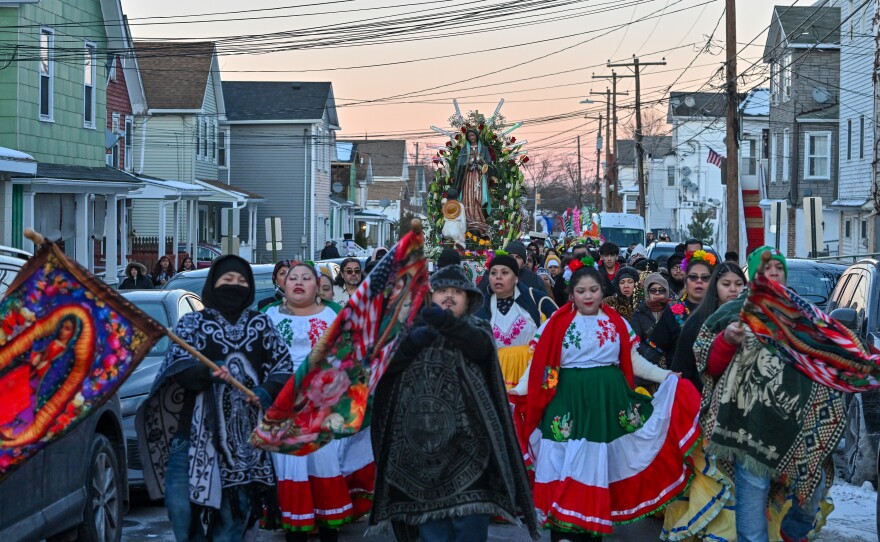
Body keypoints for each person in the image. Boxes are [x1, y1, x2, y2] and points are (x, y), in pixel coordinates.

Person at [509, 265, 701, 540]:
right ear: (571, 295)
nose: (588, 296)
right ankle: (563, 532)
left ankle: (590, 530)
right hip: (568, 406)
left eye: (594, 290)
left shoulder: (616, 322)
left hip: (607, 406)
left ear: (602, 292)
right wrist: (522, 393)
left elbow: (633, 362)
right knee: (566, 466)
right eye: (581, 291)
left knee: (597, 468)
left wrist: (666, 375)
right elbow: (544, 367)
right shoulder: (555, 324)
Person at [682, 247, 844, 542]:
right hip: (747, 423)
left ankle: (796, 527)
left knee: (814, 483)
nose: (773, 274)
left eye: (778, 269)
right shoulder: (730, 314)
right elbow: (710, 365)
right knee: (753, 491)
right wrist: (728, 340)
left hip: (795, 424)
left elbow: (828, 356)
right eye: (765, 270)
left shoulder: (805, 315)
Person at [369, 264, 539, 542]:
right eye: (442, 291)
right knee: (432, 534)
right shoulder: (407, 332)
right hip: (419, 453)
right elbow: (383, 368)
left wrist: (444, 324)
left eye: (457, 292)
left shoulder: (479, 328)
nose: (449, 296)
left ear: (469, 299)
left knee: (469, 531)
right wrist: (413, 341)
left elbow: (479, 348)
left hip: (471, 449)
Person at [136, 255, 294, 542]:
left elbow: (283, 367)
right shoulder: (192, 324)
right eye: (226, 280)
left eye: (240, 281)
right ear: (213, 284)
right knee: (181, 509)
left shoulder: (261, 325)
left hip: (246, 444)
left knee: (235, 515)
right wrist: (206, 373)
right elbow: (177, 367)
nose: (234, 286)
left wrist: (266, 390)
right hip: (190, 435)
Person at [262, 263, 369, 541]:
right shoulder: (267, 316)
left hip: (325, 408)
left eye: (306, 278)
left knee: (324, 466)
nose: (298, 282)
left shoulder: (335, 314)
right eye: (292, 277)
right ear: (282, 286)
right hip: (283, 407)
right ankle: (294, 530)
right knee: (289, 468)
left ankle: (328, 529)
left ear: (318, 286)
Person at [475, 254, 555, 389]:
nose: (498, 277)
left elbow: (558, 332)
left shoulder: (536, 299)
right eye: (493, 273)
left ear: (516, 278)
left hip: (531, 374)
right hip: (496, 378)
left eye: (505, 272)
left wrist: (550, 385)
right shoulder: (481, 307)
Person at [669, 262, 746, 392]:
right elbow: (681, 371)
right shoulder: (697, 322)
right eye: (726, 284)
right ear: (715, 288)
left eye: (738, 284)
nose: (733, 289)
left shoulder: (754, 320)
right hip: (701, 399)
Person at [641, 250, 715, 369]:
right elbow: (652, 352)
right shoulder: (674, 311)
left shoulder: (718, 311)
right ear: (685, 281)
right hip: (681, 382)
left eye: (705, 277)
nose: (699, 281)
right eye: (693, 277)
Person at [454, 128, 493, 233]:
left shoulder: (484, 149)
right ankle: (468, 220)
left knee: (478, 198)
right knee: (468, 197)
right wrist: (468, 163)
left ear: (476, 136)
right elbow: (460, 164)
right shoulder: (464, 150)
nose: (471, 138)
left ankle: (479, 220)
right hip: (468, 178)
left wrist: (481, 164)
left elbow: (489, 164)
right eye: (469, 136)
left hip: (480, 178)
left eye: (473, 135)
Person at [476, 241, 547, 296]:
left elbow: (544, 303)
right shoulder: (492, 274)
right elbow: (478, 297)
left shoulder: (534, 279)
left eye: (518, 257)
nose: (514, 260)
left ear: (523, 262)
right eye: (511, 256)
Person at [630, 273, 670, 342]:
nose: (657, 293)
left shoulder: (673, 311)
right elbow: (635, 341)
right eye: (653, 290)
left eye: (661, 290)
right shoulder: (639, 314)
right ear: (647, 293)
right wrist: (650, 352)